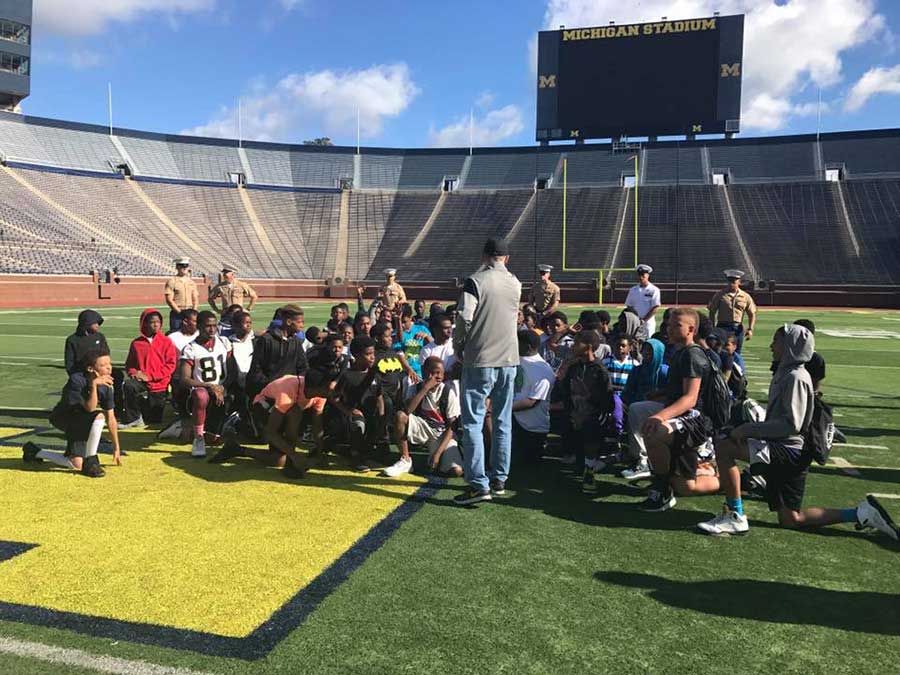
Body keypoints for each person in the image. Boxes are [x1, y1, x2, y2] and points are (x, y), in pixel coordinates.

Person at [698, 324, 898, 540]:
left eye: (776, 341)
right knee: (791, 519)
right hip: (786, 447)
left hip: (789, 450)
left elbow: (791, 425)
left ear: (790, 345)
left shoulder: (795, 377)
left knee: (725, 447)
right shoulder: (787, 372)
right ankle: (860, 513)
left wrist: (747, 429)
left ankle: (735, 515)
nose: (771, 346)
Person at [452, 238, 521, 505]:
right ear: (507, 257)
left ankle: (479, 484)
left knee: (473, 423)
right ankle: (499, 478)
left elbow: (464, 317)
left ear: (484, 256)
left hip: (480, 358)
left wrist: (459, 346)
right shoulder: (515, 283)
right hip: (509, 358)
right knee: (503, 421)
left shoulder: (476, 281)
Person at [627, 307, 715, 511]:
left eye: (677, 325)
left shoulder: (692, 355)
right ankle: (668, 479)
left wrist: (659, 416)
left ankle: (663, 489)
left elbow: (690, 398)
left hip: (695, 420)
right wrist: (659, 395)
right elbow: (679, 390)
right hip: (682, 416)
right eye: (669, 324)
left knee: (653, 432)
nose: (670, 329)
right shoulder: (680, 351)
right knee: (685, 486)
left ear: (691, 329)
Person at [28, 349, 121, 477]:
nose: (109, 368)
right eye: (103, 365)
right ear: (90, 369)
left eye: (109, 364)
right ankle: (91, 461)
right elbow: (90, 408)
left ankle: (34, 452)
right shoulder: (77, 380)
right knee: (98, 416)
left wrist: (116, 448)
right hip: (66, 417)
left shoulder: (107, 385)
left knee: (76, 464)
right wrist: (93, 385)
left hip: (83, 421)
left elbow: (111, 418)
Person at [210, 373, 313, 478]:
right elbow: (271, 431)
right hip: (265, 406)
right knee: (293, 413)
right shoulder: (288, 390)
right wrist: (294, 455)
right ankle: (237, 423)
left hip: (284, 407)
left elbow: (318, 424)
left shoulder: (318, 393)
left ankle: (237, 449)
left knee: (278, 460)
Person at [556, 331, 615, 493]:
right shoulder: (574, 368)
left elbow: (607, 400)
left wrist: (591, 403)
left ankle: (591, 469)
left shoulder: (599, 370)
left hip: (592, 416)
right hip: (575, 414)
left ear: (588, 347)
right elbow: (566, 392)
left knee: (591, 435)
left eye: (577, 343)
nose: (573, 346)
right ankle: (583, 462)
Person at [387, 356, 462, 477]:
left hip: (442, 434)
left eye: (440, 374)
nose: (436, 377)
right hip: (423, 427)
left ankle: (437, 460)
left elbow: (452, 427)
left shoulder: (448, 392)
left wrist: (437, 454)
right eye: (432, 373)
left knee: (456, 471)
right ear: (424, 372)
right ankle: (406, 460)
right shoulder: (416, 387)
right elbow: (407, 411)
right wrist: (426, 388)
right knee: (400, 416)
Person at [180, 311, 234, 457]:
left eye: (214, 326)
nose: (212, 330)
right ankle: (198, 438)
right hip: (203, 389)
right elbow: (184, 379)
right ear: (198, 326)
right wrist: (209, 386)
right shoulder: (190, 348)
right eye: (207, 326)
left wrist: (222, 387)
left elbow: (232, 371)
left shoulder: (224, 342)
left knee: (216, 440)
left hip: (223, 387)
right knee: (200, 395)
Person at [331, 336, 384, 468]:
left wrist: (381, 414)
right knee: (358, 423)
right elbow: (334, 398)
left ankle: (369, 451)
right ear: (356, 355)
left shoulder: (375, 374)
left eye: (373, 353)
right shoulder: (348, 376)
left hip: (371, 414)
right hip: (352, 417)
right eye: (368, 354)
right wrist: (349, 411)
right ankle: (355, 456)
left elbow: (379, 396)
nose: (372, 357)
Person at [121, 308, 178, 427]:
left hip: (159, 384)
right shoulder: (136, 343)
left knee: (153, 420)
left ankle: (143, 406)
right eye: (152, 322)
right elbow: (130, 364)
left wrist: (150, 376)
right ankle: (133, 418)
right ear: (144, 323)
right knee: (129, 385)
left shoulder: (166, 341)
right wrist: (134, 374)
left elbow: (171, 365)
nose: (156, 324)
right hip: (141, 381)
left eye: (158, 322)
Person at [245, 304, 308, 400]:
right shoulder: (266, 340)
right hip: (268, 393)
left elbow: (303, 367)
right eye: (299, 322)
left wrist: (296, 384)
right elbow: (256, 370)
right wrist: (274, 385)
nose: (302, 326)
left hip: (291, 393)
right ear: (288, 322)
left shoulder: (296, 342)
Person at [513, 330, 555, 464]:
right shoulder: (514, 358)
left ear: (528, 347)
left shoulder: (542, 369)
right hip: (513, 420)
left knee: (527, 464)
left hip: (531, 427)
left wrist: (502, 407)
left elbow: (532, 401)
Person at [708, 269, 757, 353]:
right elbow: (712, 312)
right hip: (723, 327)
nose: (731, 284)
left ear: (739, 282)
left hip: (737, 328)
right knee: (721, 351)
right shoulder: (720, 295)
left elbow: (751, 314)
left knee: (737, 353)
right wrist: (713, 328)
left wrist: (750, 329)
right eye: (730, 281)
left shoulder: (745, 296)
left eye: (734, 281)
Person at [64, 309, 109, 375]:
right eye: (94, 323)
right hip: (80, 372)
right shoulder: (72, 339)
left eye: (98, 323)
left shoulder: (100, 337)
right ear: (86, 323)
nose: (97, 325)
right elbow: (69, 361)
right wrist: (73, 376)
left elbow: (106, 353)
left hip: (99, 372)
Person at [394, 305, 433, 379]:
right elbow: (399, 352)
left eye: (404, 322)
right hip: (406, 373)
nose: (402, 325)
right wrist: (410, 370)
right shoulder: (396, 334)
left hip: (423, 371)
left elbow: (435, 345)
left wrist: (427, 337)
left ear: (410, 318)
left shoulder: (421, 329)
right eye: (400, 322)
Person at [625, 263, 661, 338]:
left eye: (643, 275)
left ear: (648, 275)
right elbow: (629, 306)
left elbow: (655, 307)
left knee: (647, 343)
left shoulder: (654, 290)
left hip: (647, 324)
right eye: (639, 275)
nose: (641, 277)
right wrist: (635, 319)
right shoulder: (633, 290)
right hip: (635, 323)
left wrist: (643, 320)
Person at [164, 257, 199, 332]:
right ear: (177, 267)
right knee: (176, 335)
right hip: (177, 314)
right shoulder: (172, 281)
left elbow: (195, 299)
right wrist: (179, 312)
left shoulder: (192, 282)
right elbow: (169, 300)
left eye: (186, 266)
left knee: (191, 335)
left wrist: (194, 312)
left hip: (190, 312)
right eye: (181, 265)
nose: (184, 268)